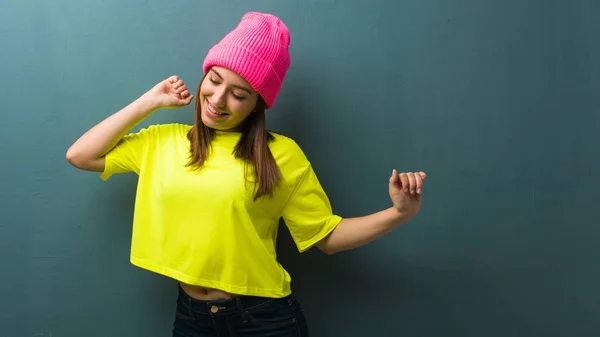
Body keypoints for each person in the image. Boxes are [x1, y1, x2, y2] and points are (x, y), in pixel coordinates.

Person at [66, 11, 426, 337]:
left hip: (264, 321)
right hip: (191, 319)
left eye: (238, 93)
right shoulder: (162, 141)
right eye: (215, 79)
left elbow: (326, 237)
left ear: (257, 104)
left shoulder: (281, 154)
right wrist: (150, 101)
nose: (218, 98)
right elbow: (80, 155)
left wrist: (398, 214)